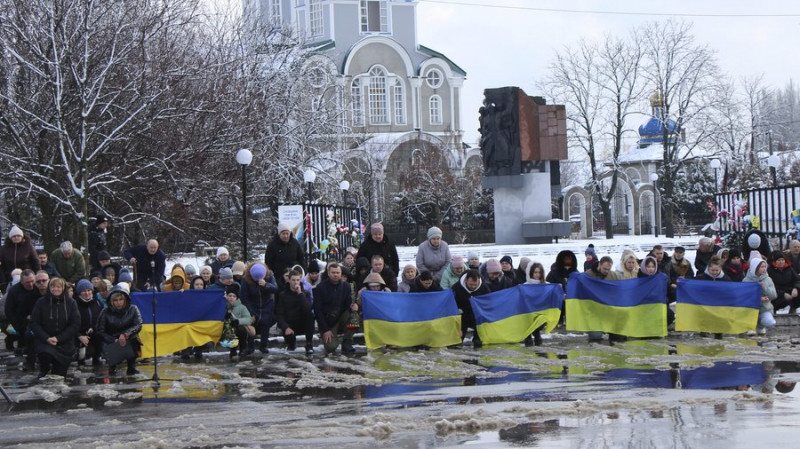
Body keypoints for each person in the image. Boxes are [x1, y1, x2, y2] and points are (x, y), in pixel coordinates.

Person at [28, 277, 80, 378]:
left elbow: (75, 324)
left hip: (65, 342)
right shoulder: (41, 302)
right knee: (45, 354)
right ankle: (44, 369)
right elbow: (34, 323)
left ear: (63, 288)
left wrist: (59, 338)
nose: (55, 289)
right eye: (53, 286)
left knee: (59, 375)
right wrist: (46, 338)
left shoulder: (71, 303)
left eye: (58, 287)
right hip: (45, 340)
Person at [96, 284, 143, 376]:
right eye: (115, 300)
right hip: (112, 339)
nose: (118, 302)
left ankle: (131, 367)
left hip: (128, 338)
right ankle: (112, 367)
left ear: (125, 300)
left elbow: (138, 325)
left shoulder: (133, 309)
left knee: (134, 338)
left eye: (121, 299)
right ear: (111, 301)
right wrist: (113, 339)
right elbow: (99, 330)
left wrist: (125, 334)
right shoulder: (105, 312)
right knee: (107, 344)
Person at [313, 263, 354, 354]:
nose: (335, 275)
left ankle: (347, 341)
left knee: (355, 317)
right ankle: (334, 336)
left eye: (337, 272)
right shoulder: (320, 288)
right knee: (331, 347)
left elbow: (348, 305)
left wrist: (353, 307)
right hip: (327, 321)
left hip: (341, 317)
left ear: (340, 274)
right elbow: (317, 310)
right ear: (328, 273)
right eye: (333, 272)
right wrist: (325, 329)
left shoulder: (346, 286)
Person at [239, 262, 277, 354]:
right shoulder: (246, 279)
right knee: (251, 324)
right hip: (253, 305)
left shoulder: (269, 275)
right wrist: (250, 312)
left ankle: (264, 346)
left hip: (266, 304)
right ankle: (250, 347)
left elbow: (275, 288)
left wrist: (266, 285)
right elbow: (244, 297)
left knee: (265, 324)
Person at [4, 269, 39, 367]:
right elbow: (9, 311)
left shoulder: (38, 287)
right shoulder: (14, 291)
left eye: (33, 281)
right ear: (22, 282)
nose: (31, 284)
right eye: (28, 282)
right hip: (19, 319)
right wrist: (19, 326)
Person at [276, 269, 315, 355]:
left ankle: (309, 344)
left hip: (302, 323)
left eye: (297, 280)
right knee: (290, 341)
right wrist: (286, 327)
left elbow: (308, 309)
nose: (295, 282)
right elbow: (279, 314)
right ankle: (291, 344)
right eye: (293, 280)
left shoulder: (305, 293)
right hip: (290, 324)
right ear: (289, 280)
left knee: (310, 316)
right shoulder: (283, 295)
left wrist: (300, 293)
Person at [452, 269, 490, 348]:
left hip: (477, 317)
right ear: (466, 281)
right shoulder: (456, 287)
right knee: (459, 342)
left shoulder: (484, 287)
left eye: (475, 284)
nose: (473, 287)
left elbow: (489, 302)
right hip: (462, 316)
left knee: (478, 342)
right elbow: (451, 305)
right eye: (471, 284)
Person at [264, 222, 305, 291]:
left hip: (294, 276)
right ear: (279, 234)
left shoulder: (295, 243)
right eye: (283, 234)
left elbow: (301, 258)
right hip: (279, 277)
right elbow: (268, 262)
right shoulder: (272, 245)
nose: (286, 236)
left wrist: (302, 271)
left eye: (287, 233)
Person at [0, 225, 40, 291]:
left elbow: (36, 262)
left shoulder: (28, 247)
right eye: (14, 236)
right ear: (10, 238)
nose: (16, 238)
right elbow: (2, 265)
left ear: (22, 237)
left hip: (27, 277)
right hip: (9, 278)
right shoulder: (4, 249)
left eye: (18, 236)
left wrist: (37, 276)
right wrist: (3, 281)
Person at [743, 258, 777, 335]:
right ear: (755, 267)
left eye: (765, 266)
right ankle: (750, 327)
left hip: (764, 308)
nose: (764, 269)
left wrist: (765, 288)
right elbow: (744, 297)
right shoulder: (746, 280)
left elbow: (774, 295)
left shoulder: (768, 279)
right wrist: (759, 298)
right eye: (762, 267)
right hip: (750, 310)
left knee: (770, 322)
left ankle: (761, 327)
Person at [75, 279, 103, 366]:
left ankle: (97, 359)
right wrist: (79, 335)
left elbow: (101, 320)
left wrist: (93, 328)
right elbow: (70, 323)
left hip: (94, 333)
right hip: (79, 335)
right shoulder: (74, 304)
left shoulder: (98, 303)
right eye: (83, 291)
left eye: (88, 290)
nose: (87, 293)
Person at [223, 283, 254, 359]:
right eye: (230, 295)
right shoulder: (223, 306)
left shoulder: (242, 307)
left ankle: (242, 349)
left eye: (234, 296)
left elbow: (248, 319)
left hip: (238, 329)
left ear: (237, 298)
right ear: (226, 296)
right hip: (226, 329)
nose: (231, 298)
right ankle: (233, 350)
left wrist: (238, 321)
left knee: (241, 330)